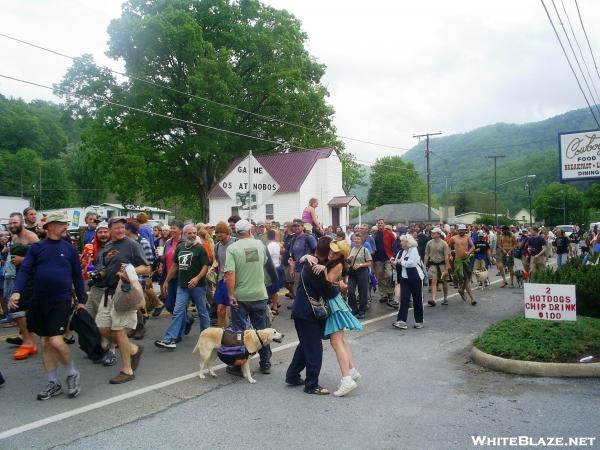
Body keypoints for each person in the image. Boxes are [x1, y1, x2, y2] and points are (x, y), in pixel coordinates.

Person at [9, 211, 85, 400]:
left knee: (56, 341)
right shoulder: (37, 248)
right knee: (44, 342)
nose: (65, 226)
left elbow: (77, 276)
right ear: (50, 227)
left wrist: (82, 300)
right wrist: (16, 290)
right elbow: (25, 270)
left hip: (61, 300)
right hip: (39, 301)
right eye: (61, 224)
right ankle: (53, 382)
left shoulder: (69, 249)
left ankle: (72, 374)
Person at [93, 217, 149, 384]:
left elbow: (146, 268)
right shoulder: (107, 247)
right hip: (108, 293)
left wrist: (130, 270)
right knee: (101, 328)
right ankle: (133, 349)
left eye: (121, 227)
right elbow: (103, 268)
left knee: (119, 331)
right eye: (116, 228)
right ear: (109, 230)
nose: (119, 230)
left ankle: (127, 370)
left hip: (124, 292)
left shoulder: (132, 244)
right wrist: (99, 274)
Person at [286, 237, 335, 395]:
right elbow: (328, 292)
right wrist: (339, 286)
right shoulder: (317, 269)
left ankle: (292, 376)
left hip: (301, 311)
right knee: (314, 349)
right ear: (328, 253)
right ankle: (311, 385)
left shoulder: (310, 261)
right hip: (308, 313)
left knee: (305, 345)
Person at [314, 241, 363, 397]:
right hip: (335, 302)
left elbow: (326, 286)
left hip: (333, 304)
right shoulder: (334, 263)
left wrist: (323, 270)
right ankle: (351, 371)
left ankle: (347, 379)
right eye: (331, 250)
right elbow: (333, 284)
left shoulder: (337, 265)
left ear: (341, 254)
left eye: (335, 252)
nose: (331, 253)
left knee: (336, 342)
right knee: (340, 341)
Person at [225, 219, 272, 375]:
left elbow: (230, 274)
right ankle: (265, 362)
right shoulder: (260, 245)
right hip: (259, 293)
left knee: (239, 332)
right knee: (262, 330)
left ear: (235, 232)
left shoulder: (232, 248)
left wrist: (231, 294)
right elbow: (264, 263)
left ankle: (239, 364)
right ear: (250, 230)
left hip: (241, 295)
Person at [155, 224, 211, 349]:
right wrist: (166, 281)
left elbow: (205, 266)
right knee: (177, 311)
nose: (192, 235)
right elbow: (174, 266)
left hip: (198, 286)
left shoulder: (200, 249)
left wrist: (196, 279)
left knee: (202, 312)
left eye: (194, 233)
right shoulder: (180, 247)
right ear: (184, 234)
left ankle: (207, 337)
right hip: (182, 286)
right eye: (189, 233)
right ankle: (170, 339)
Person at [4, 212, 39, 359]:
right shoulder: (14, 237)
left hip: (32, 278)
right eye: (10, 223)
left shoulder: (31, 236)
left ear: (22, 222)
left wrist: (22, 260)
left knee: (18, 307)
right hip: (18, 276)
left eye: (15, 223)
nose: (12, 225)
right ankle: (27, 340)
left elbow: (41, 257)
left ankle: (29, 342)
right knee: (19, 309)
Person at [392, 234, 425, 329]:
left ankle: (419, 321)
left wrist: (400, 262)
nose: (400, 243)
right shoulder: (402, 252)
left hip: (416, 278)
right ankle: (401, 321)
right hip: (405, 278)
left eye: (402, 241)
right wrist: (394, 262)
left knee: (417, 299)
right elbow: (399, 263)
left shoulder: (414, 250)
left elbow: (412, 263)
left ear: (407, 242)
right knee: (404, 299)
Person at [211, 221, 236, 327]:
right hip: (221, 281)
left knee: (234, 312)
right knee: (220, 311)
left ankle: (237, 333)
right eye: (217, 232)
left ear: (227, 232)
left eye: (221, 232)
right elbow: (218, 262)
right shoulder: (217, 246)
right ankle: (222, 335)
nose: (219, 234)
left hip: (234, 280)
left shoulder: (236, 242)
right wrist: (214, 270)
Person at [346, 233, 372, 319]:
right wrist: (348, 260)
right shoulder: (352, 249)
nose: (356, 240)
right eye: (355, 239)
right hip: (353, 272)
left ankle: (361, 311)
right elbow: (349, 262)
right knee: (350, 291)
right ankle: (354, 309)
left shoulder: (365, 250)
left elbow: (370, 262)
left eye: (358, 239)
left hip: (362, 271)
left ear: (361, 240)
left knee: (362, 292)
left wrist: (360, 265)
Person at [424, 227, 451, 306]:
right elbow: (426, 254)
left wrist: (446, 267)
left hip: (442, 264)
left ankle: (445, 298)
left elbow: (446, 256)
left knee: (444, 281)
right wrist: (424, 265)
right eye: (432, 232)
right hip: (433, 265)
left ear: (438, 234)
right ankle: (433, 299)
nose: (432, 234)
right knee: (433, 281)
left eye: (434, 233)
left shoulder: (444, 243)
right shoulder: (429, 243)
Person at [373, 219, 396, 307]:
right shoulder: (374, 235)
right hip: (378, 259)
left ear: (384, 224)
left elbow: (394, 245)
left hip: (388, 257)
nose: (380, 225)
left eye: (381, 223)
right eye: (378, 223)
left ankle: (390, 293)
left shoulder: (389, 233)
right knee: (380, 276)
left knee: (389, 275)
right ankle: (384, 294)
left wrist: (393, 256)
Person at [451, 224, 476, 305]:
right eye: (460, 230)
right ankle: (472, 298)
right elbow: (447, 246)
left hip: (466, 260)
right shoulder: (453, 238)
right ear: (458, 230)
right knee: (465, 279)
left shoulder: (467, 237)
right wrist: (450, 255)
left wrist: (469, 252)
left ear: (465, 230)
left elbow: (473, 246)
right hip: (458, 261)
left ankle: (462, 290)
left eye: (463, 230)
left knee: (467, 278)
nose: (462, 231)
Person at [266, 229, 283, 315]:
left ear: (267, 236)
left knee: (272, 289)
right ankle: (276, 304)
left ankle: (275, 306)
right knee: (275, 288)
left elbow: (267, 257)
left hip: (272, 268)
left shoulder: (270, 246)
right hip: (278, 266)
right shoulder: (277, 244)